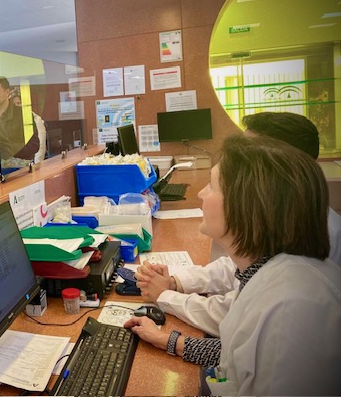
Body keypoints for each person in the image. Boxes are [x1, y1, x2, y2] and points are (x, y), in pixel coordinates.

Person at [125, 135, 341, 395]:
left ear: (248, 205)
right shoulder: (265, 272)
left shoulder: (289, 310)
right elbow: (235, 353)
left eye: (212, 186)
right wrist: (168, 340)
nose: (201, 194)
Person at [137, 112, 341, 337]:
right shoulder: (286, 220)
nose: (237, 161)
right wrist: (176, 282)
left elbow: (237, 319)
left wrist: (167, 298)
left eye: (249, 153)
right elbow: (237, 270)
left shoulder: (307, 241)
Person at [0, 76, 40, 161]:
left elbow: (34, 145)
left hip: (20, 167)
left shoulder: (23, 114)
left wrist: (7, 150)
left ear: (7, 92)